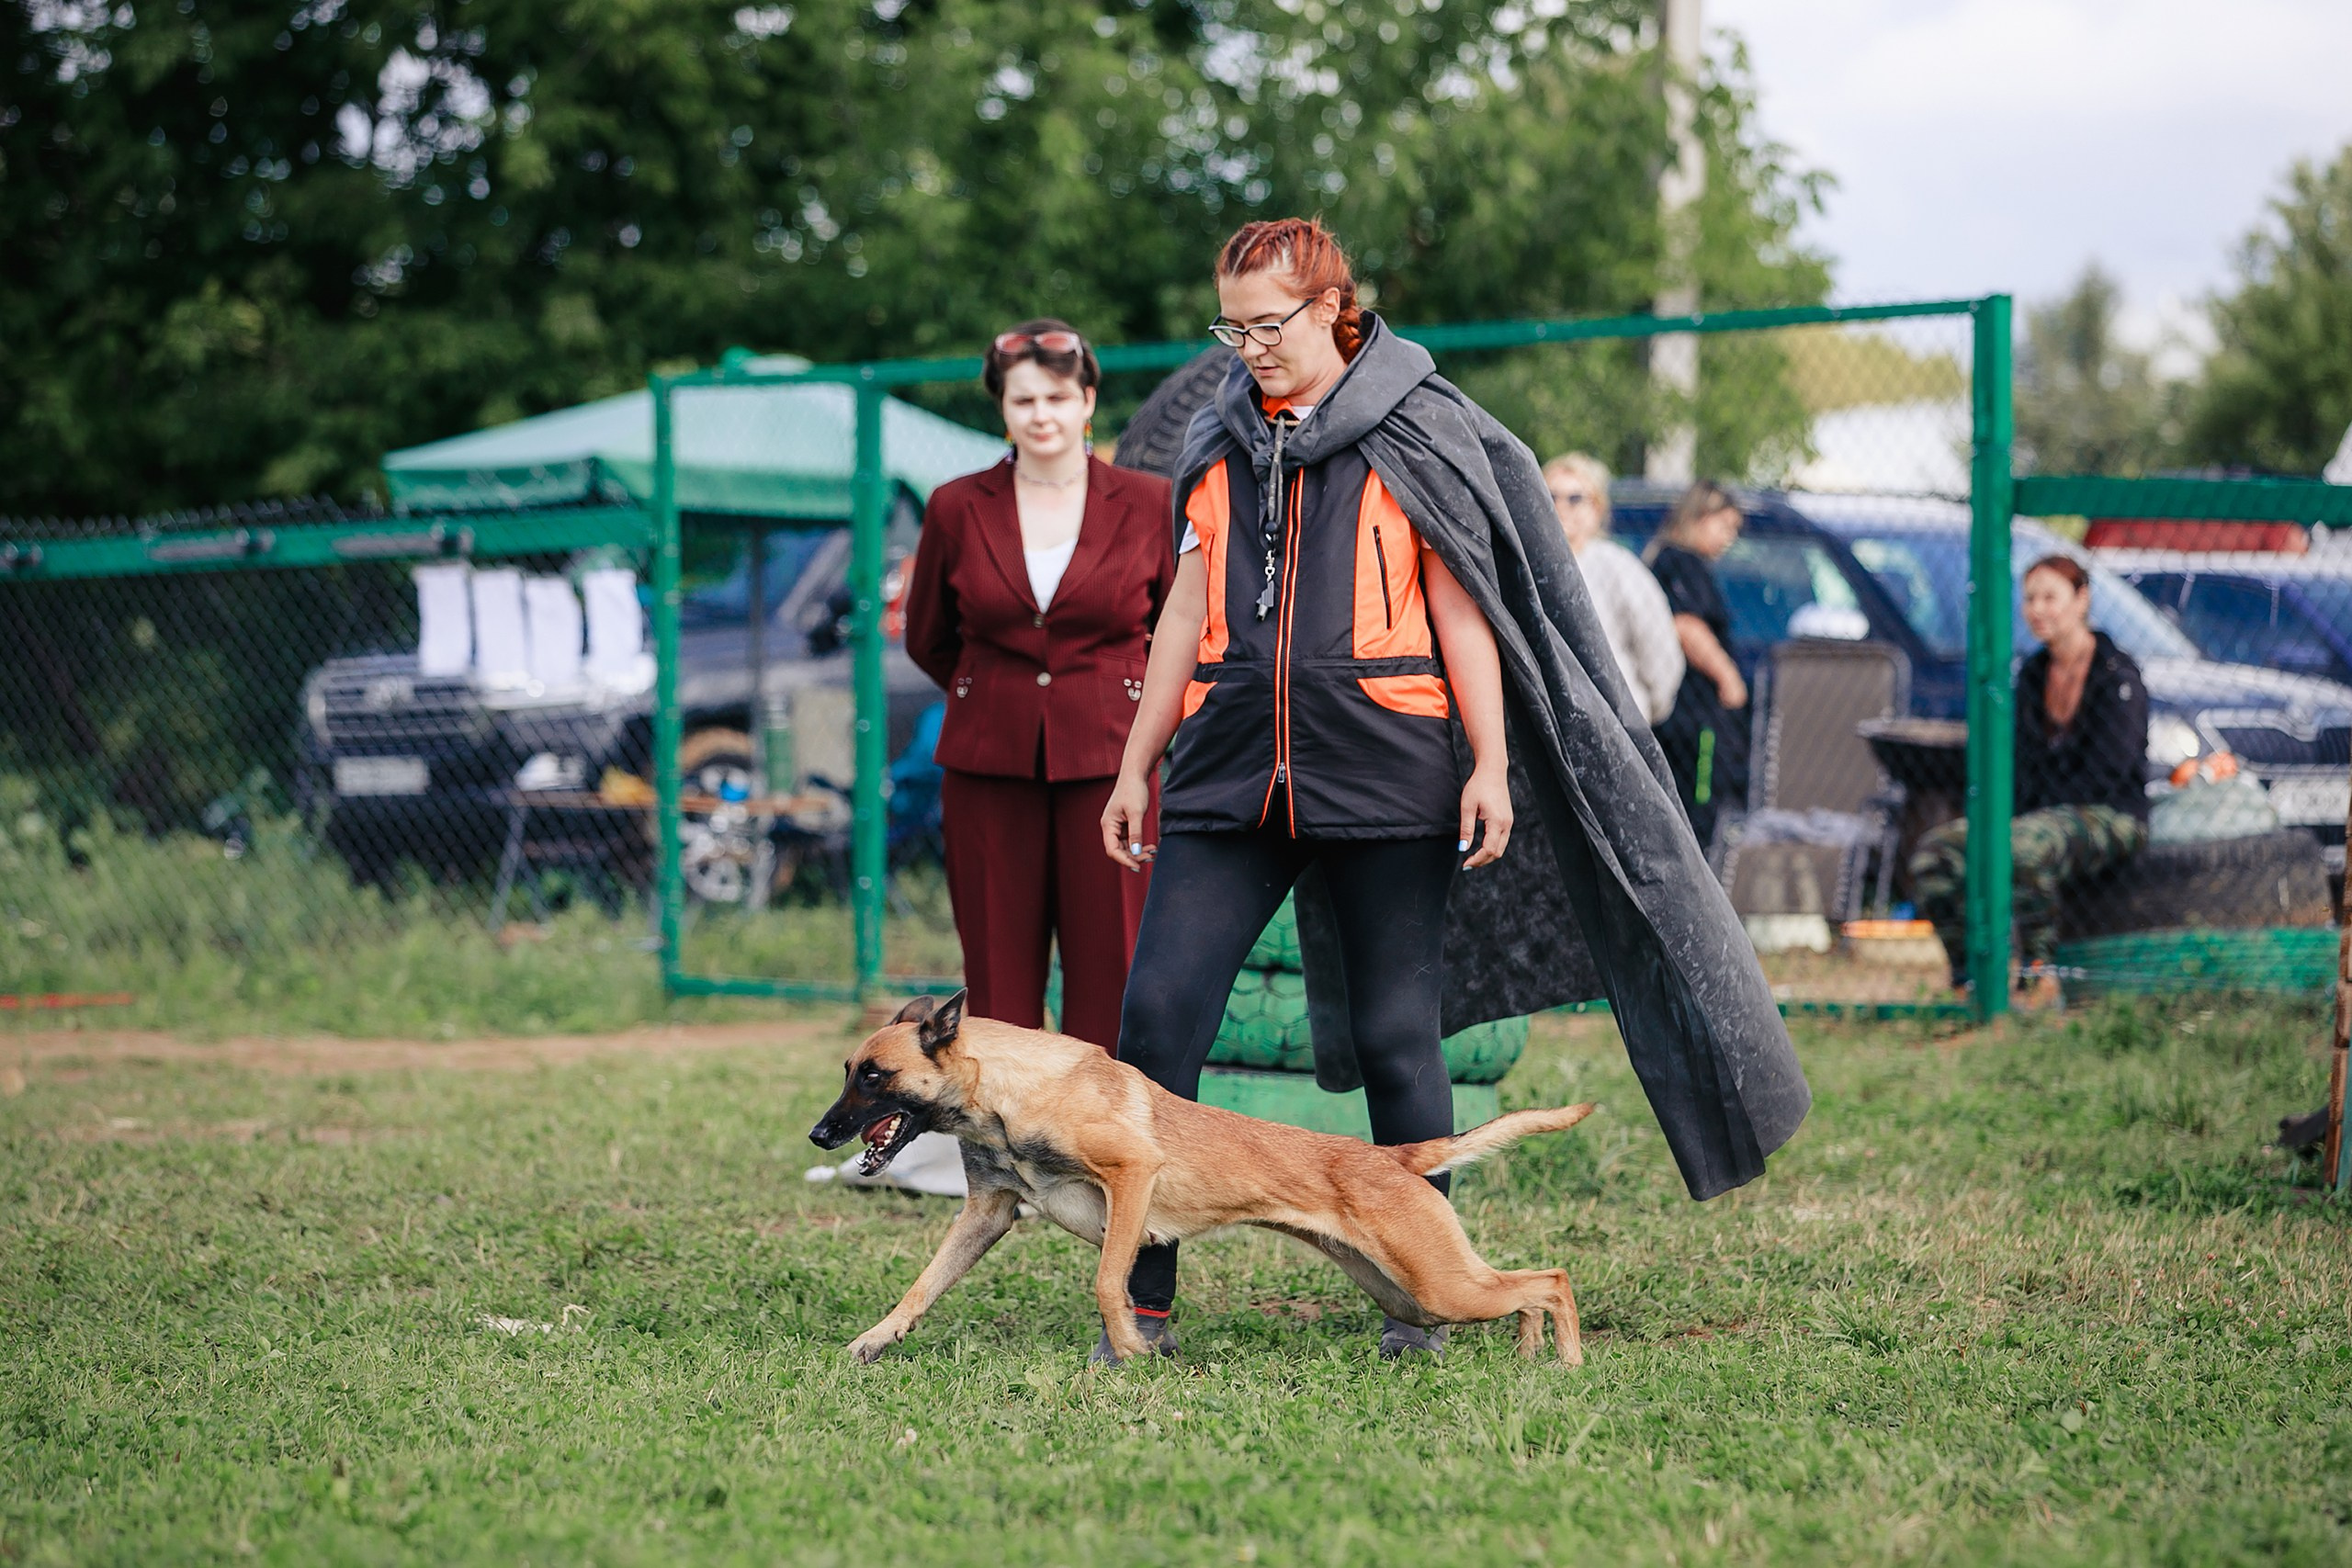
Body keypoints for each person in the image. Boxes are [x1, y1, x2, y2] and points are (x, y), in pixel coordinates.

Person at [1096, 219, 1810, 1365]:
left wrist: (1488, 762)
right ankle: (1144, 1302)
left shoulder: (1417, 430)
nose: (1249, 349)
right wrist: (1137, 766)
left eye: (1268, 325)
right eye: (1230, 327)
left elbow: (1465, 605)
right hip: (1228, 770)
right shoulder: (1214, 438)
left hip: (1389, 772)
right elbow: (1183, 611)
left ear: (1334, 306)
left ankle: (1422, 1301)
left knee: (1395, 1034)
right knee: (1156, 1021)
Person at [902, 322, 1174, 1044]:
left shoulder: (1150, 502)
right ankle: (1000, 1150)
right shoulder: (957, 507)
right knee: (996, 978)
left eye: (1057, 395)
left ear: (1088, 400)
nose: (1041, 414)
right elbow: (928, 635)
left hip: (1114, 767)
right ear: (1003, 409)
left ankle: (1099, 1150)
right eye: (1023, 400)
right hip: (988, 765)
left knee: (1113, 967)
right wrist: (994, 698)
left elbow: (1183, 634)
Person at [1909, 554, 2148, 1010]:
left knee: (2023, 847)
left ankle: (2041, 976)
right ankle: (1971, 980)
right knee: (1935, 853)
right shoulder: (2031, 674)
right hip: (2037, 819)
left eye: (2051, 597)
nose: (2038, 609)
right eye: (2030, 598)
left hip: (2111, 814)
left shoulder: (2118, 674)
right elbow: (2018, 767)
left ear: (2082, 600)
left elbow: (2108, 771)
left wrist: (2035, 812)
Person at [1643, 481, 1750, 849]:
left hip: (1683, 713)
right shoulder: (1681, 562)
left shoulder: (1668, 559)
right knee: (1698, 809)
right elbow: (1686, 624)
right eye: (1726, 526)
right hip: (1694, 715)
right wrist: (1727, 676)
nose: (1729, 538)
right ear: (1701, 518)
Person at [1544, 453, 1683, 724]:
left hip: (1612, 719)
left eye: (1575, 499)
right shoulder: (1525, 564)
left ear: (1597, 508)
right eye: (1550, 497)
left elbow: (1659, 650)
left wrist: (1642, 709)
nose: (1561, 507)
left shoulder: (1620, 568)